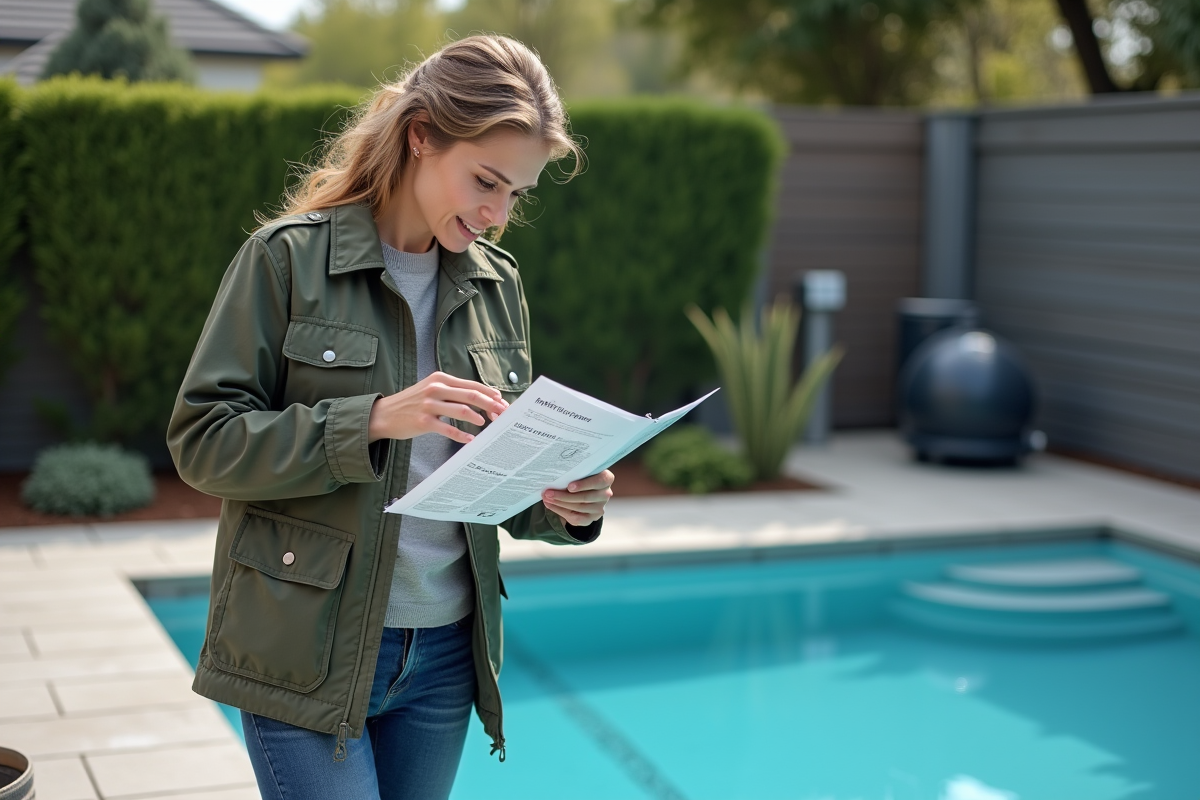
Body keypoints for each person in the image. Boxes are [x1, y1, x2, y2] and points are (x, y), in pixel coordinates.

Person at [166, 34, 614, 800]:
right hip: (305, 650)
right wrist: (370, 420)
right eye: (485, 181)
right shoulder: (285, 260)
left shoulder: (497, 285)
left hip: (444, 659)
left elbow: (494, 475)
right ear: (421, 136)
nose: (497, 214)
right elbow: (203, 441)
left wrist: (564, 503)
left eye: (516, 194)